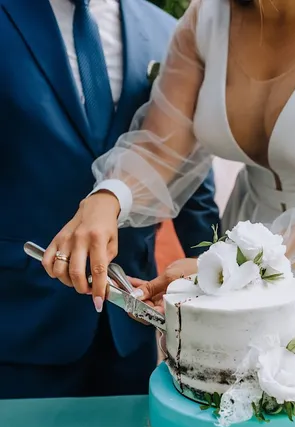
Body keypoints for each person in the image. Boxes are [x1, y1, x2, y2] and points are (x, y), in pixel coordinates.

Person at [43, 0, 295, 388]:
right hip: (246, 226)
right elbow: (161, 146)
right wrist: (108, 198)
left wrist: (229, 263)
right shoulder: (208, 15)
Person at [0, 0, 219, 399]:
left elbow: (188, 173)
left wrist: (217, 276)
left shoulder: (166, 29)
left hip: (131, 323)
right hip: (18, 318)